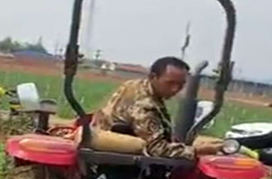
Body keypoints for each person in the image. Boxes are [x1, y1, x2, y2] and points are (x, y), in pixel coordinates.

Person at [91, 56, 223, 159]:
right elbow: (156, 149)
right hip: (119, 159)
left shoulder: (135, 85)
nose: (175, 89)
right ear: (153, 77)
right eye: (170, 83)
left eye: (181, 84)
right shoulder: (145, 106)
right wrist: (195, 151)